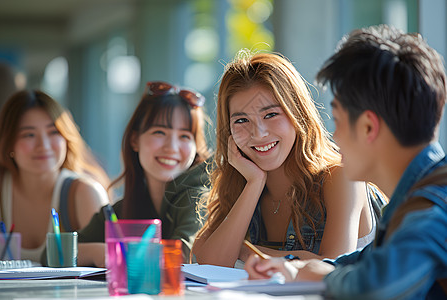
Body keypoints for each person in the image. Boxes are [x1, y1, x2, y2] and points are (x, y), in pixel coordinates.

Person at [245, 24, 447, 300]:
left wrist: (314, 273)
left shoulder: (431, 211)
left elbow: (376, 287)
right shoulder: (414, 202)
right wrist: (298, 269)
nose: (335, 137)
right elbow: (363, 262)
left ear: (367, 128)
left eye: (337, 121)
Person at [192, 50, 386, 268]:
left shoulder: (341, 178)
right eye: (242, 120)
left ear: (298, 114)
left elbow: (332, 268)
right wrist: (254, 183)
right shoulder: (240, 184)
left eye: (271, 115)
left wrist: (246, 252)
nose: (258, 133)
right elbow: (204, 260)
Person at [77, 81, 211, 267]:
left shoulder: (199, 197)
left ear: (196, 147)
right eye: (159, 132)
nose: (171, 147)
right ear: (135, 140)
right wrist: (100, 252)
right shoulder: (125, 207)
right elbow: (57, 252)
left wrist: (117, 252)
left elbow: (181, 254)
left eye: (184, 136)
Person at [0, 90, 111, 263]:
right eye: (29, 134)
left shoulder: (84, 193)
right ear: (8, 143)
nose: (43, 145)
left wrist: (91, 251)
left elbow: (109, 261)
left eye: (53, 132)